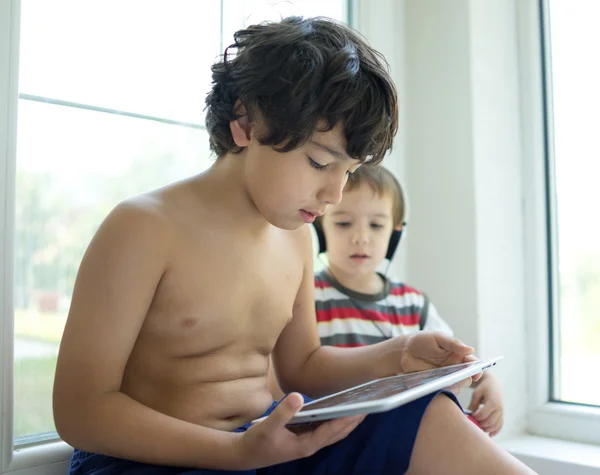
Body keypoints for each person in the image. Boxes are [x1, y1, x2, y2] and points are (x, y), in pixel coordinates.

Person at [53, 16, 536, 475]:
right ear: (246, 122)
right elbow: (80, 410)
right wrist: (236, 451)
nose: (334, 195)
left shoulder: (296, 238)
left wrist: (400, 353)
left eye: (347, 172)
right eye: (320, 163)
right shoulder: (143, 228)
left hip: (263, 445)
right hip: (150, 462)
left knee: (425, 412)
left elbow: (304, 367)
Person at [311, 165, 504, 436]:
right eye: (343, 223)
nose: (361, 237)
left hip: (402, 432)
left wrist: (486, 379)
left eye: (376, 225)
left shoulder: (413, 304)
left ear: (396, 232)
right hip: (336, 436)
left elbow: (453, 359)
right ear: (321, 226)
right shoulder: (307, 296)